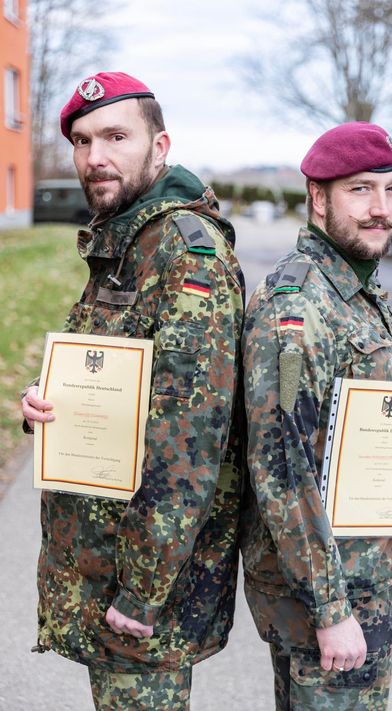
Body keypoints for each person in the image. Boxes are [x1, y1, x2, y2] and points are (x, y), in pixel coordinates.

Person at [21, 72, 244, 711]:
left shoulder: (184, 254)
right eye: (83, 140)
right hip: (106, 560)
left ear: (161, 145)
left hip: (145, 587)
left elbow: (191, 445)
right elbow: (125, 381)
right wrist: (48, 401)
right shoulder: (126, 242)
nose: (96, 158)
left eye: (117, 136)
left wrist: (142, 591)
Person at [240, 122, 392, 710]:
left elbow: (344, 421)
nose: (382, 209)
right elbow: (281, 465)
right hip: (325, 592)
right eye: (361, 190)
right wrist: (332, 610)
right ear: (318, 197)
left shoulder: (355, 290)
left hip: (360, 568)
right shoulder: (298, 305)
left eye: (391, 189)